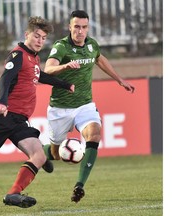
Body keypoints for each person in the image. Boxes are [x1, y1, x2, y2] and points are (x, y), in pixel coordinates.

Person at [0, 16, 74, 208]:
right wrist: (2, 102)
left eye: (43, 38)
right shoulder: (18, 54)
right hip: (1, 116)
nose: (40, 41)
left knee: (39, 155)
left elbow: (39, 75)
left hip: (19, 120)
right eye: (36, 36)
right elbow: (6, 78)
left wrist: (64, 84)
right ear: (27, 35)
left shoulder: (34, 57)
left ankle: (13, 194)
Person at [42, 10, 135, 203]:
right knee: (55, 154)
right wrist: (65, 66)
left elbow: (99, 59)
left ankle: (79, 185)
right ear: (70, 27)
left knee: (94, 135)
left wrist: (119, 80)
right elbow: (48, 69)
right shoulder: (61, 47)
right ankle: (36, 152)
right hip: (60, 108)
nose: (80, 31)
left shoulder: (92, 45)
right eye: (76, 27)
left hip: (85, 105)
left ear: (88, 28)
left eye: (84, 27)